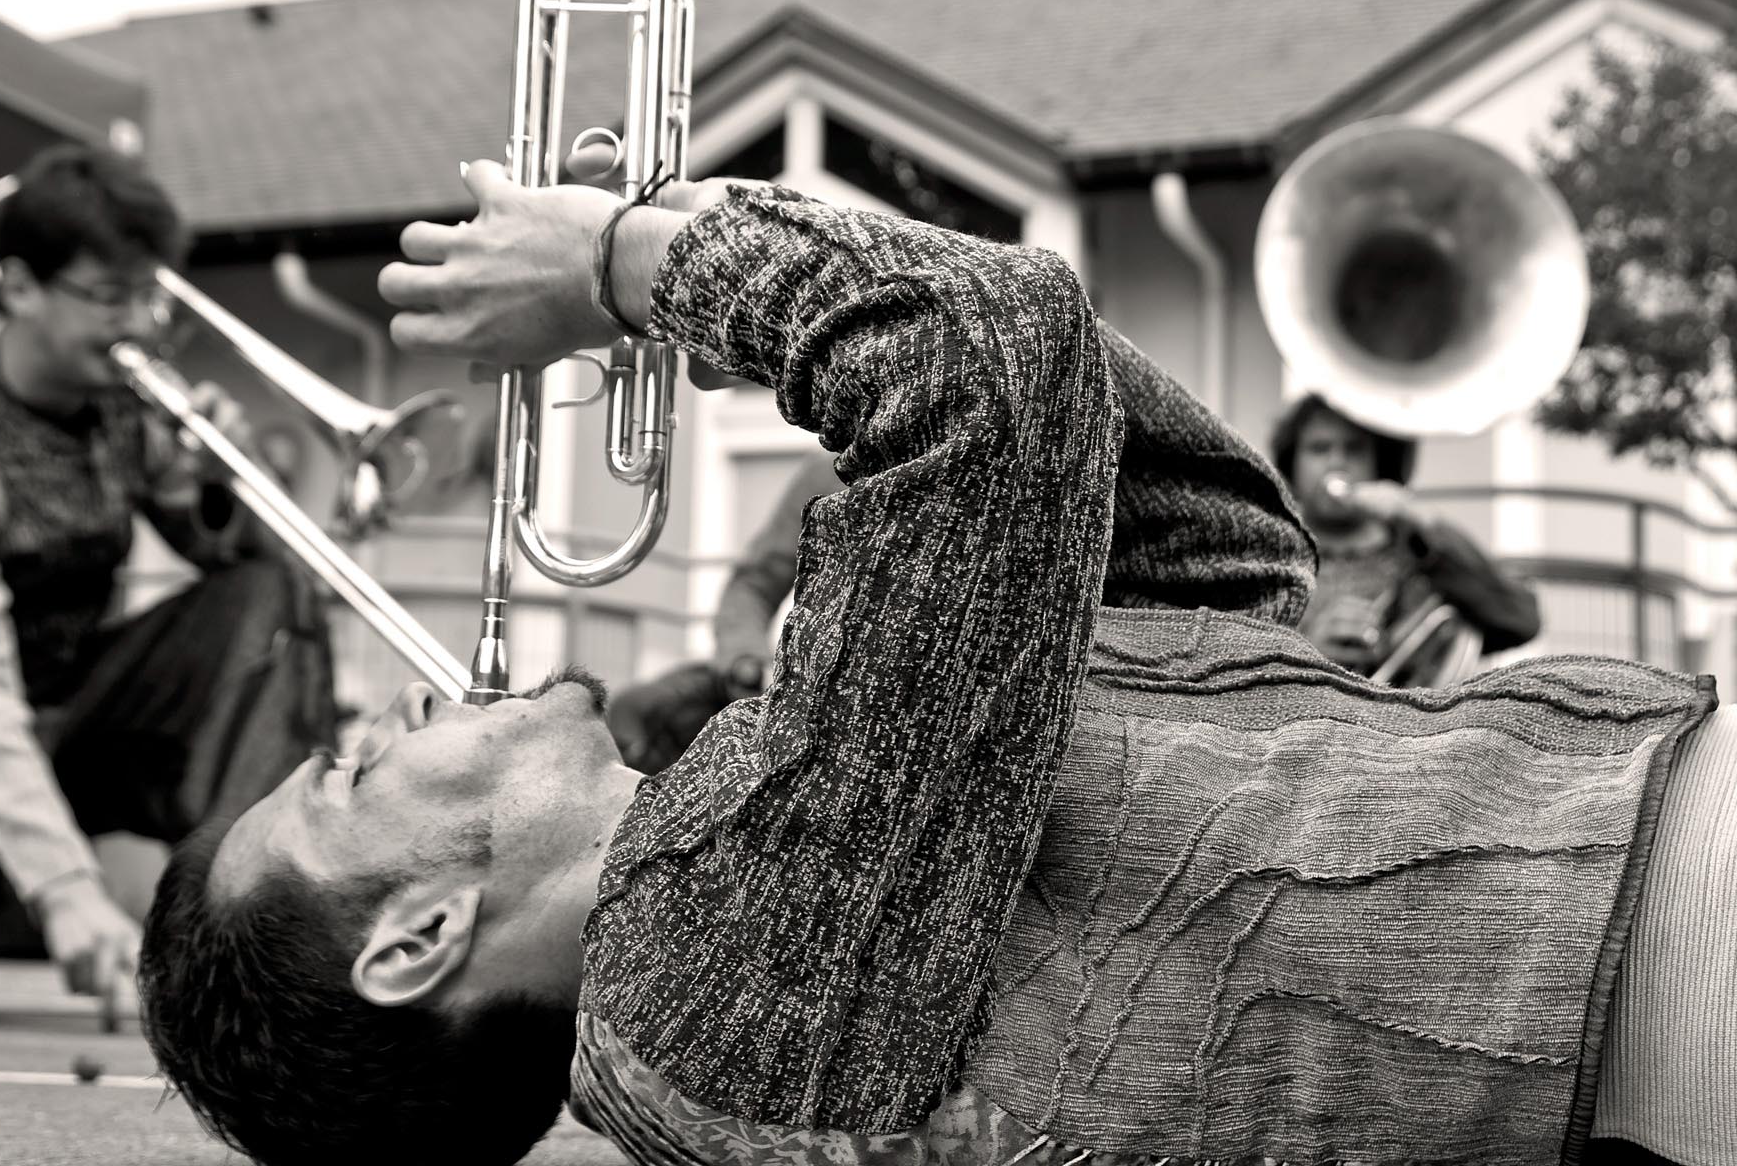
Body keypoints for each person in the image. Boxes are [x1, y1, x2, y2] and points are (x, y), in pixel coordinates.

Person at [136, 167, 1732, 1166]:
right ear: (416, 939)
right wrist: (639, 266)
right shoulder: (708, 977)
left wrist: (794, 254)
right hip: (1683, 929)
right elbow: (988, 372)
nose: (397, 711)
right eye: (351, 774)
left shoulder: (733, 902)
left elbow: (1220, 565)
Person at [0, 143, 336, 1005]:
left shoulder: (122, 404)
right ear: (18, 287)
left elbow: (239, 570)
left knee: (267, 598)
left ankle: (264, 926)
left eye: (144, 294)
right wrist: (69, 893)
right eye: (107, 296)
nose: (135, 323)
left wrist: (224, 486)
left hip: (76, 718)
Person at [1268, 393, 1541, 684]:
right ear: (1292, 466)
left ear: (1379, 462)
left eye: (1354, 449)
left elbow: (1521, 619)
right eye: (1319, 449)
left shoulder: (1419, 553)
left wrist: (1416, 517)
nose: (1337, 462)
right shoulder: (1271, 558)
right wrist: (1304, 650)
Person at [608, 448, 842, 775]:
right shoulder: (828, 473)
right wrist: (746, 659)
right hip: (797, 695)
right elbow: (751, 588)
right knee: (644, 709)